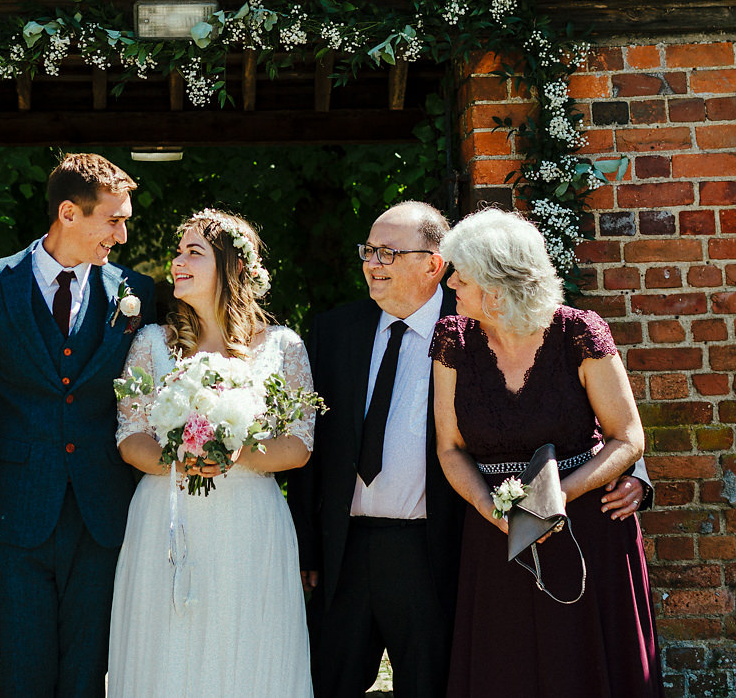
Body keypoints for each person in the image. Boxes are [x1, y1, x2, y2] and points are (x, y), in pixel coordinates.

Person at [289, 201, 649, 698]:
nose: (451, 284)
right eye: (368, 250)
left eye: (387, 252)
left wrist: (581, 490)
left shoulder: (565, 331)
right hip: (435, 538)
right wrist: (492, 507)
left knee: (569, 666)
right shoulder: (411, 337)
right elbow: (436, 447)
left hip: (516, 536)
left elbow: (619, 431)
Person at [431, 208, 661, 698]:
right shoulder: (453, 339)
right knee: (505, 668)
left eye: (462, 276)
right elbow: (449, 448)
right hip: (496, 532)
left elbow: (628, 437)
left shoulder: (579, 333)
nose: (450, 283)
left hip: (587, 528)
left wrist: (553, 501)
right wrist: (491, 508)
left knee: (585, 667)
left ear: (496, 285)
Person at [0, 152, 156, 698]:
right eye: (113, 219)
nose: (122, 231)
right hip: (11, 517)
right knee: (22, 679)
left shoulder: (136, 293)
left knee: (87, 678)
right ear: (69, 212)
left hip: (102, 516)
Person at [110, 209, 316, 698]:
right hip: (167, 517)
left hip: (250, 526)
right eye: (179, 251)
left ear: (234, 268)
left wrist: (238, 451)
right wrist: (177, 458)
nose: (177, 261)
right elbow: (129, 436)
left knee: (250, 652)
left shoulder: (282, 347)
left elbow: (299, 445)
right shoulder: (151, 343)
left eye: (193, 252)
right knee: (167, 654)